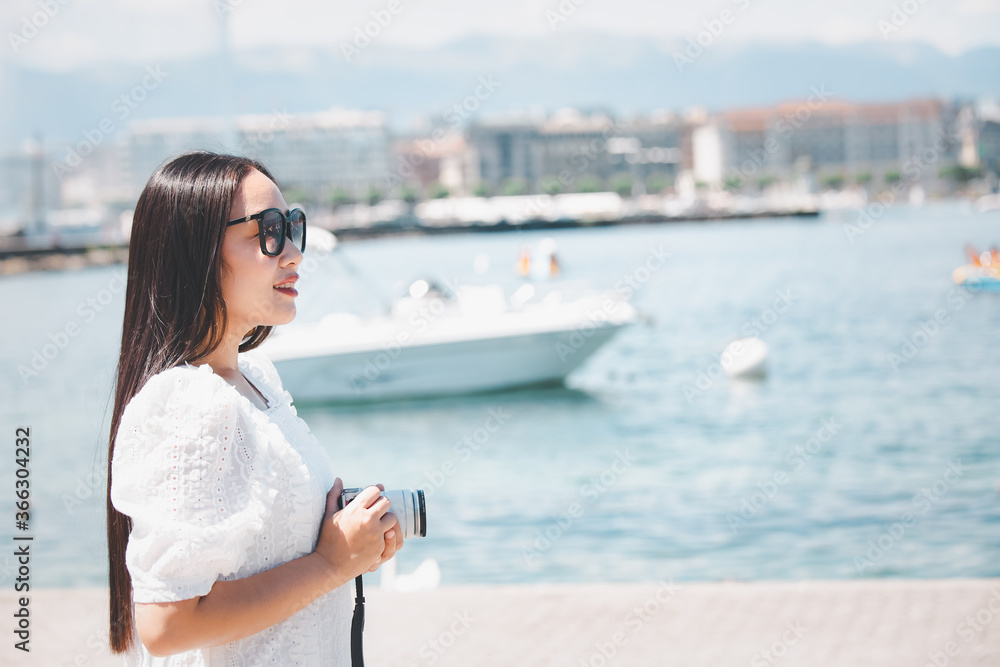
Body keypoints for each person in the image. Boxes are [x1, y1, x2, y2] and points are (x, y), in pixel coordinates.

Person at [105, 151, 403, 665]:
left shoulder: (255, 383)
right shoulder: (190, 405)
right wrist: (331, 565)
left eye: (292, 226)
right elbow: (167, 624)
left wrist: (351, 546)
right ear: (195, 252)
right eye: (267, 232)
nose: (293, 253)